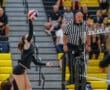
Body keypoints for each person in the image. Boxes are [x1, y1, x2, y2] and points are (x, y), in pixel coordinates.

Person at [12, 19, 52, 90]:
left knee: (29, 87)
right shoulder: (26, 44)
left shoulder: (30, 49)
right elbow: (31, 32)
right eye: (27, 36)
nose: (30, 36)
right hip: (18, 69)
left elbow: (36, 62)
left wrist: (46, 64)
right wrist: (30, 20)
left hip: (22, 70)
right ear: (25, 40)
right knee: (22, 88)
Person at [63, 11, 86, 84]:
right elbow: (65, 35)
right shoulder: (70, 24)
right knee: (71, 63)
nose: (80, 18)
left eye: (81, 17)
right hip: (71, 46)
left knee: (82, 64)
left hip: (80, 46)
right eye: (79, 17)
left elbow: (86, 35)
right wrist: (65, 45)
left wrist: (87, 45)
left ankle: (81, 79)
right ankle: (71, 79)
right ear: (75, 17)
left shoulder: (84, 25)